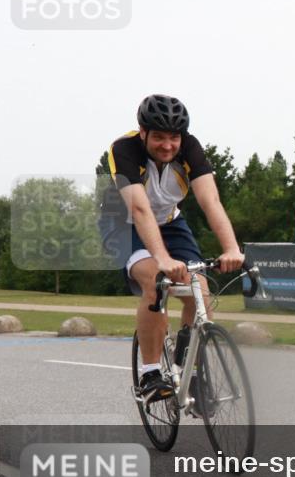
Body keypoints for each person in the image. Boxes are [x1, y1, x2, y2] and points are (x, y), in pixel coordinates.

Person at [99, 94, 245, 400]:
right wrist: (162, 258)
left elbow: (211, 201)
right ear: (143, 133)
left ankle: (189, 371)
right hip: (124, 223)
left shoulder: (190, 147)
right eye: (159, 137)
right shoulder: (123, 149)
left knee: (200, 291)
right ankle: (150, 374)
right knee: (156, 280)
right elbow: (139, 210)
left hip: (169, 222)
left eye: (174, 138)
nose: (167, 145)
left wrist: (232, 248)